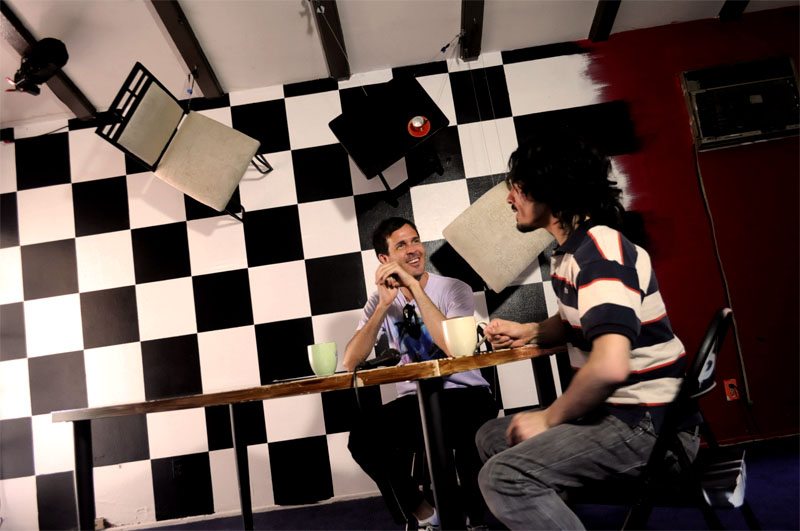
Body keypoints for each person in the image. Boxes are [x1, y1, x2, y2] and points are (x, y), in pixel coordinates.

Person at [475, 131, 699, 530]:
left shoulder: (599, 252)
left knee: (502, 477)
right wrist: (528, 331)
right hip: (625, 415)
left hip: (649, 426)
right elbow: (577, 322)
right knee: (494, 436)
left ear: (550, 190)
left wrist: (548, 419)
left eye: (518, 188)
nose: (510, 198)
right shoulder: (574, 253)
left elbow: (610, 366)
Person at [344, 217, 498, 530]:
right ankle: (425, 515)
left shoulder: (454, 289)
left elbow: (454, 348)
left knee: (468, 437)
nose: (414, 249)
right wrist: (383, 306)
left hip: (466, 394)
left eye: (415, 240)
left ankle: (475, 518)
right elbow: (351, 360)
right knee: (363, 438)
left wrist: (414, 287)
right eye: (402, 245)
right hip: (415, 400)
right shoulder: (379, 300)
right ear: (385, 259)